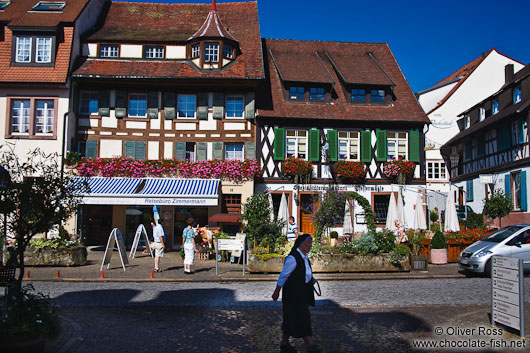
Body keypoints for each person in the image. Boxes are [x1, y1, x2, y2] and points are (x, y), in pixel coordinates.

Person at [272, 234, 321, 353]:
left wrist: (311, 279)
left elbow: (306, 273)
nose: (310, 245)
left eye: (311, 243)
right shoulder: (293, 258)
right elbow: (283, 276)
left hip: (302, 293)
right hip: (293, 294)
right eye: (308, 243)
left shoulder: (305, 257)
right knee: (302, 318)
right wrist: (276, 292)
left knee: (290, 318)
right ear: (301, 244)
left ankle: (284, 343)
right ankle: (310, 345)